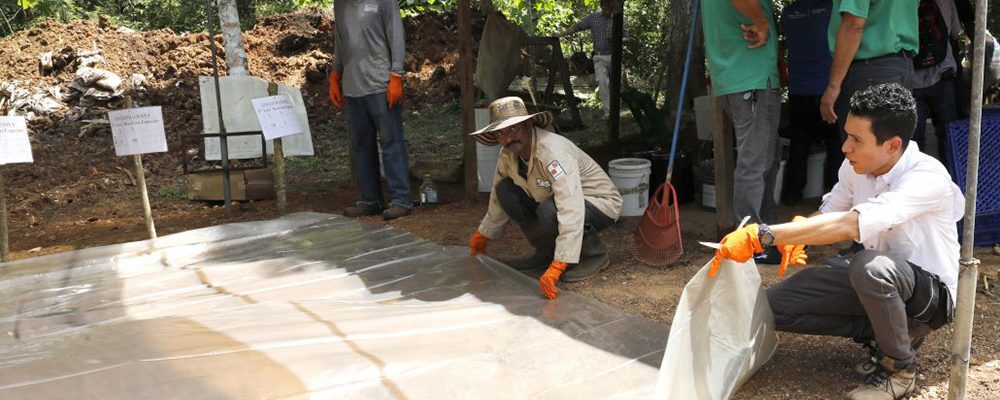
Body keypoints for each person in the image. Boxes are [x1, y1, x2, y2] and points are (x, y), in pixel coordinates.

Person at [712, 83, 963, 400]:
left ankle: (899, 369)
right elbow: (829, 212)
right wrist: (800, 229)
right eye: (847, 135)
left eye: (857, 140)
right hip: (880, 284)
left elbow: (850, 224)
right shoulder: (855, 166)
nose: (845, 147)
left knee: (868, 267)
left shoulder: (926, 177)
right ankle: (884, 334)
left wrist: (764, 235)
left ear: (892, 145)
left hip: (929, 298)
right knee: (769, 307)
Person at [467, 97, 622, 300]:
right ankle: (545, 251)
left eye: (513, 129)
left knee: (548, 211)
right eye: (500, 133)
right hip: (556, 202)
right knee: (506, 190)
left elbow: (570, 205)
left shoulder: (553, 153)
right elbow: (498, 194)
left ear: (529, 124)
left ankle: (594, 256)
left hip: (599, 202)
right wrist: (484, 233)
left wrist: (561, 263)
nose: (507, 138)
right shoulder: (508, 154)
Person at [701, 0, 782, 263]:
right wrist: (761, 22)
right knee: (756, 160)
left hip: (734, 76)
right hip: (751, 74)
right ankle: (754, 242)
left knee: (762, 157)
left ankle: (766, 234)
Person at [329, 0, 413, 220]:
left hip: (379, 82)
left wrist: (396, 75)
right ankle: (370, 199)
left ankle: (401, 200)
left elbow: (396, 36)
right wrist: (335, 74)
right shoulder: (340, 4)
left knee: (391, 142)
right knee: (362, 146)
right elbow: (340, 39)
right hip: (352, 85)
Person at [819, 0, 919, 175]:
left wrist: (834, 85)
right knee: (892, 157)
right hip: (900, 65)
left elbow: (854, 23)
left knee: (863, 158)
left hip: (869, 69)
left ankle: (868, 201)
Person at [781, 0, 841, 203]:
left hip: (799, 89)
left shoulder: (788, 13)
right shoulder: (832, 9)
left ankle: (792, 193)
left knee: (800, 142)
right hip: (828, 90)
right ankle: (835, 194)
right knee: (836, 143)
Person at [911, 0, 964, 171]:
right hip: (943, 73)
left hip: (911, 78)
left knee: (913, 141)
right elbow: (955, 32)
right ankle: (952, 179)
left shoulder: (901, 3)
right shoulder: (945, 1)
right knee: (949, 134)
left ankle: (917, 182)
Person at [556, 0, 627, 120]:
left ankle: (618, 109)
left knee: (617, 84)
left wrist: (618, 40)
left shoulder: (619, 19)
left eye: (610, 9)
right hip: (599, 57)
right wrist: (560, 34)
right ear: (601, 6)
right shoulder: (593, 18)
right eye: (605, 8)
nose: (607, 11)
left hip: (615, 56)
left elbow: (626, 38)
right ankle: (608, 113)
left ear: (613, 7)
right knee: (603, 83)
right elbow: (577, 27)